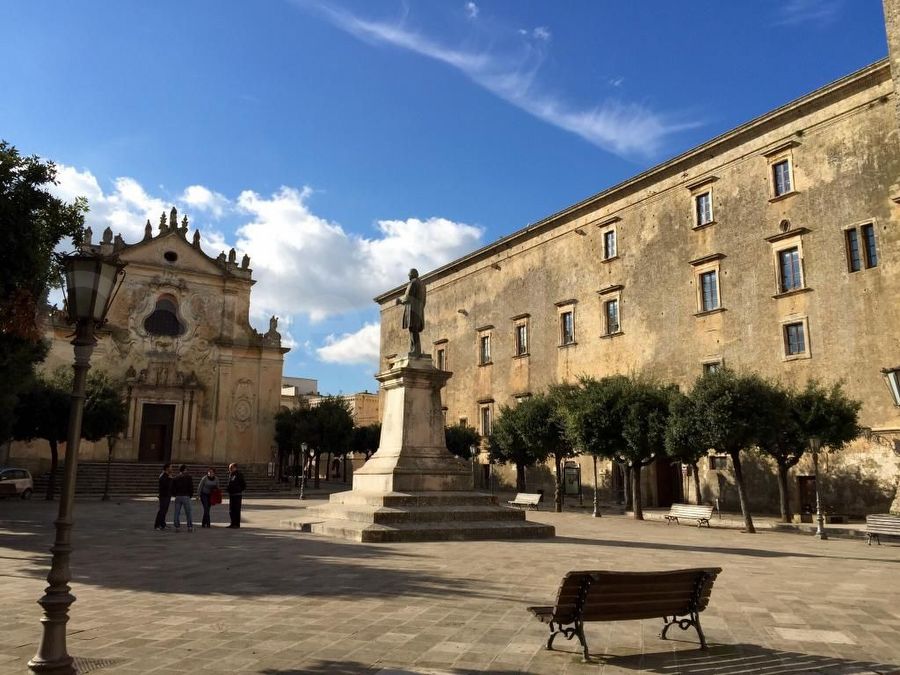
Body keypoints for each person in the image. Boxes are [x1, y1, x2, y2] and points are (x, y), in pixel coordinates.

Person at [397, 268, 426, 356]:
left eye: (409, 274)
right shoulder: (422, 285)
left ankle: (416, 350)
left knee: (413, 330)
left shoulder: (413, 283)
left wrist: (399, 300)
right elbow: (424, 300)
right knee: (414, 330)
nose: (408, 276)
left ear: (412, 274)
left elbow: (408, 297)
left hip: (412, 310)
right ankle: (414, 349)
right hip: (419, 310)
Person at [172, 464, 194, 532]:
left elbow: (173, 488)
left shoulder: (176, 478)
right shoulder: (188, 477)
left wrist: (175, 494)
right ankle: (189, 527)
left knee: (177, 512)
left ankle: (177, 527)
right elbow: (191, 487)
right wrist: (190, 495)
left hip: (178, 496)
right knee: (188, 512)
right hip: (186, 496)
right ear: (185, 469)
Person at [154, 463, 174, 530]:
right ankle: (157, 525)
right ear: (167, 468)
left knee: (165, 510)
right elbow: (165, 486)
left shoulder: (168, 476)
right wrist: (170, 479)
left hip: (167, 495)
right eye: (171, 467)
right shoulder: (163, 476)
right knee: (162, 510)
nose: (172, 468)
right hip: (164, 496)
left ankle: (162, 524)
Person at [227, 462, 247, 528]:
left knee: (236, 510)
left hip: (237, 495)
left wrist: (239, 489)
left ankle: (237, 524)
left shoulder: (239, 474)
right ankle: (232, 523)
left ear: (235, 467)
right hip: (231, 494)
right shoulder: (231, 474)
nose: (229, 469)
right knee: (231, 510)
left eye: (231, 467)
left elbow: (243, 484)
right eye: (229, 468)